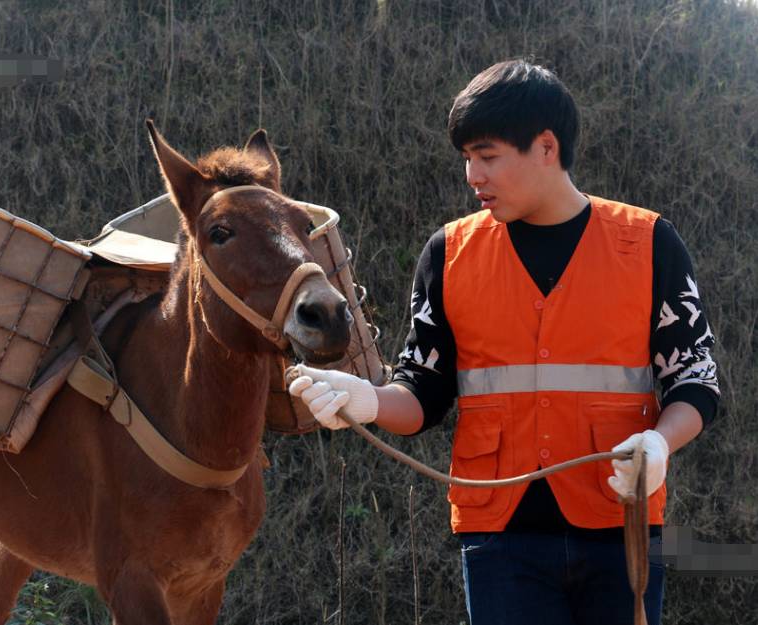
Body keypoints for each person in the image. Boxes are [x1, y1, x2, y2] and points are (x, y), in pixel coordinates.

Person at [288, 59, 720, 625]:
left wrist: (661, 443)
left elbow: (695, 379)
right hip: (501, 543)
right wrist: (365, 400)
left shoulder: (649, 243)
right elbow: (422, 391)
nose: (472, 176)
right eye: (467, 158)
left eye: (487, 156)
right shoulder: (447, 255)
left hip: (621, 529)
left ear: (546, 147)